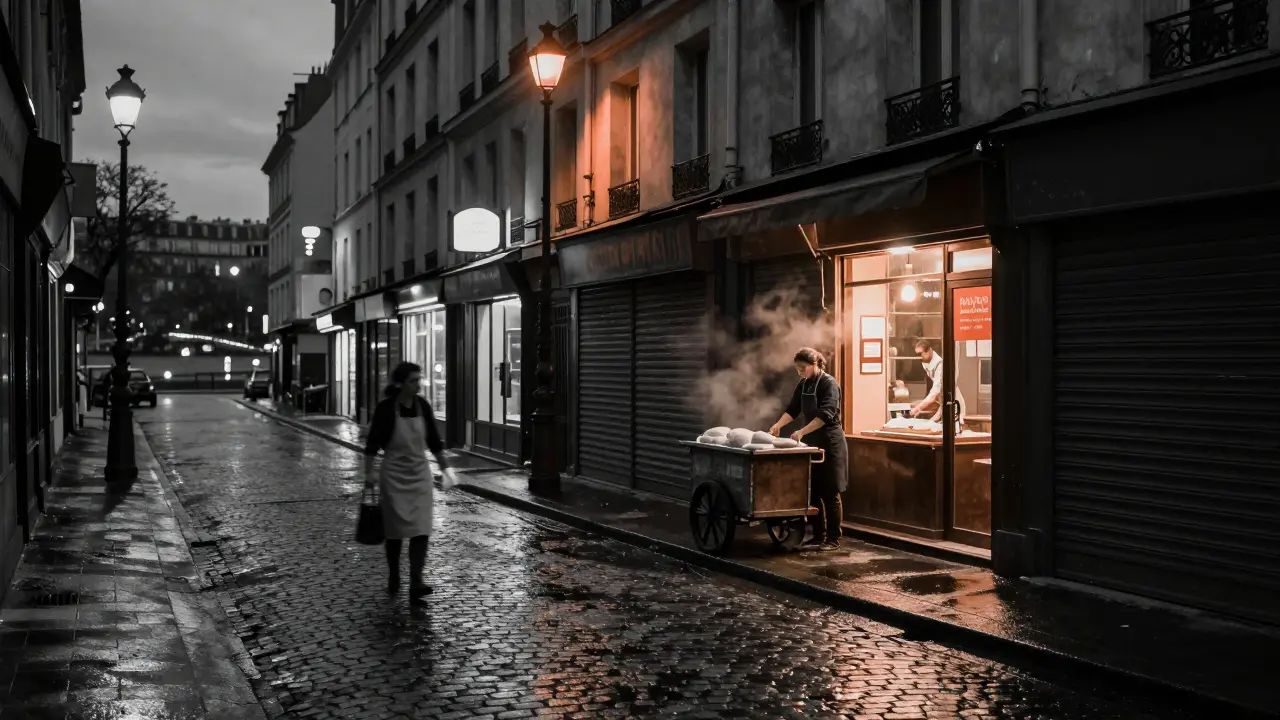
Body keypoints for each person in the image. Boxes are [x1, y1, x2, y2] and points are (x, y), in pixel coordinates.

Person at [362, 361, 453, 601]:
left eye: (418, 380)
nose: (418, 385)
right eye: (413, 380)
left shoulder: (423, 406)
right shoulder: (386, 408)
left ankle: (416, 580)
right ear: (401, 383)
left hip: (419, 473)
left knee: (421, 527)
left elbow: (434, 441)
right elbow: (372, 444)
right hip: (393, 475)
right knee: (394, 531)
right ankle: (394, 574)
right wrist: (368, 473)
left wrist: (447, 469)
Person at [769, 348, 848, 551]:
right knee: (813, 491)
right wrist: (779, 424)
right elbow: (793, 409)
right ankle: (818, 535)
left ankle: (832, 539)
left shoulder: (829, 383)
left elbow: (827, 413)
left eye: (803, 368)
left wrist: (802, 431)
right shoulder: (804, 383)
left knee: (830, 492)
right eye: (797, 369)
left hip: (830, 441)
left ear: (815, 364)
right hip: (811, 441)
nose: (800, 372)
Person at [909, 339, 944, 421]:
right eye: (916, 354)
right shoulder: (925, 361)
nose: (919, 357)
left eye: (920, 354)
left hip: (950, 401)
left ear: (929, 350)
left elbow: (935, 392)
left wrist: (917, 409)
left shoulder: (940, 365)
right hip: (940, 399)